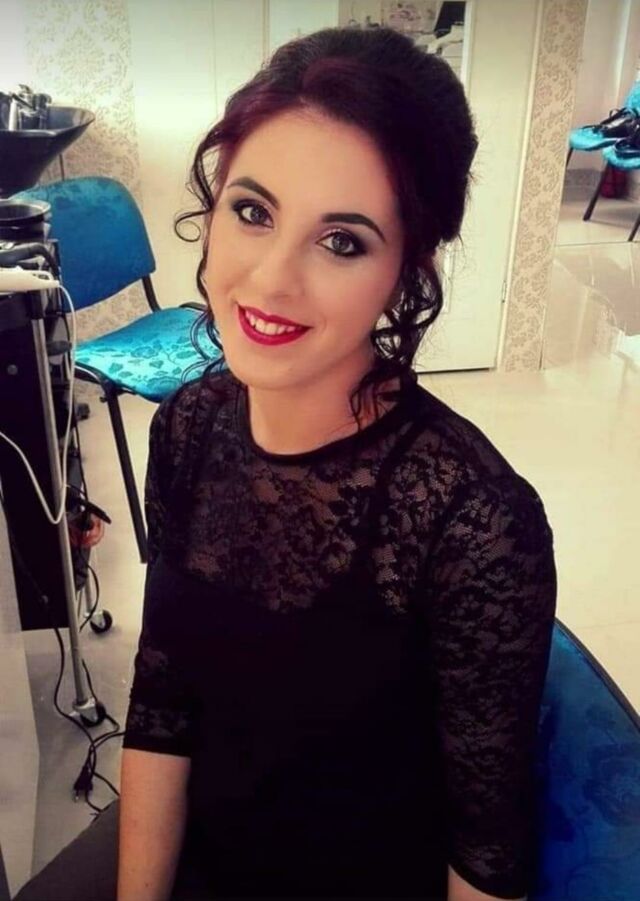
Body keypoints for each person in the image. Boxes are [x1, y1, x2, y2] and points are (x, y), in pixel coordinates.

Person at [15, 24, 557, 901]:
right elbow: (163, 701)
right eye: (253, 211)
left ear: (406, 271)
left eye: (342, 241)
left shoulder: (474, 518)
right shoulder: (189, 425)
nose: (270, 280)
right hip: (200, 847)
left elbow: (487, 854)